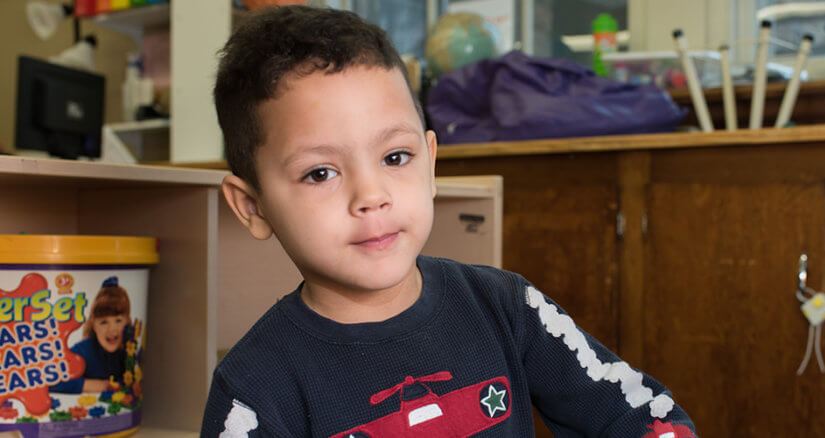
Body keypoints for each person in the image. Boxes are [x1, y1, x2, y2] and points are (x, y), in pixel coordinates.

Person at [203, 6, 698, 437]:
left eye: (395, 157)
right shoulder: (253, 390)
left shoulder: (508, 307)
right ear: (253, 206)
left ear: (430, 162)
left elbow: (641, 415)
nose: (371, 196)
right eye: (320, 172)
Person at [51, 276, 129, 394]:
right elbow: (50, 377)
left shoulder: (130, 349)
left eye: (118, 320)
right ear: (93, 325)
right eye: (103, 322)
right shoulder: (84, 351)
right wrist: (85, 385)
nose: (112, 330)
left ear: (127, 321)